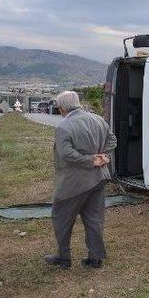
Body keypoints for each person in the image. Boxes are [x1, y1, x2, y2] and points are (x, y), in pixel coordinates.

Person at [44, 91, 116, 269]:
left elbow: (67, 154)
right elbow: (112, 139)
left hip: (74, 183)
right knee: (94, 218)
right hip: (99, 178)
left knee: (61, 217)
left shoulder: (64, 127)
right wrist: (102, 156)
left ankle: (63, 257)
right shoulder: (98, 119)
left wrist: (91, 160)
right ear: (78, 103)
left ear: (61, 108)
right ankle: (95, 257)